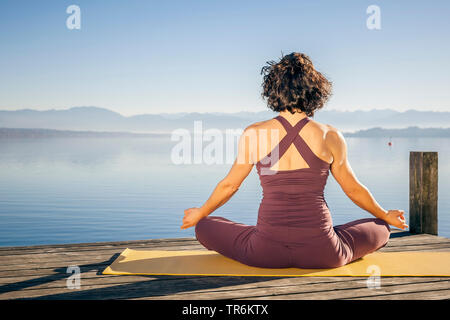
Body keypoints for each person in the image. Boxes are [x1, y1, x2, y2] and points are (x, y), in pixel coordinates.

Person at [180, 52, 408, 269]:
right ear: (316, 90)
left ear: (273, 90)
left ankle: (265, 233)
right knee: (380, 227)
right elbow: (354, 190)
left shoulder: (255, 133)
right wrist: (384, 214)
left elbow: (230, 185)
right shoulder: (330, 135)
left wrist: (200, 213)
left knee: (205, 226)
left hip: (264, 252)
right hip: (324, 252)